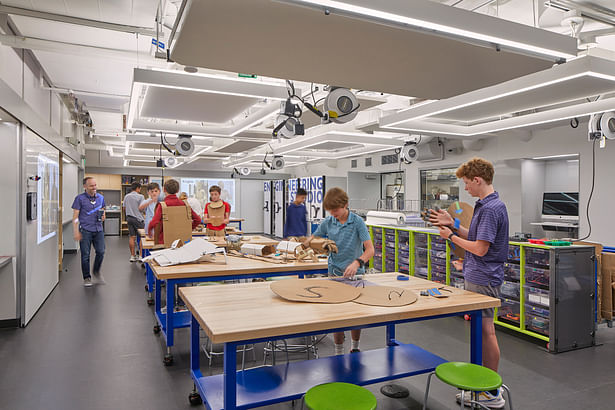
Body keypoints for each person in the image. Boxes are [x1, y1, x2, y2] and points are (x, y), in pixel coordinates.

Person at [429, 157, 509, 409]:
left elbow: (480, 249)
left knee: (486, 332)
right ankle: (484, 386)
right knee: (482, 331)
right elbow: (474, 237)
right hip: (479, 274)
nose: (465, 189)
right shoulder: (486, 206)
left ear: (477, 180)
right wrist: (452, 224)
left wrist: (451, 235)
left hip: (484, 277)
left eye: (466, 183)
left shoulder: (490, 209)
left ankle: (491, 392)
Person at [302, 188, 374, 355]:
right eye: (330, 211)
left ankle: (355, 347)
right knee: (337, 316)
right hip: (334, 274)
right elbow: (315, 237)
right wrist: (306, 243)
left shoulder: (357, 222)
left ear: (345, 205)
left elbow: (370, 250)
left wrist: (357, 262)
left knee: (356, 315)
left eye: (336, 210)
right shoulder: (328, 222)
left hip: (354, 276)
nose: (333, 213)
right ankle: (338, 351)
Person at [72, 177, 106, 287]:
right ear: (85, 187)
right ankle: (87, 277)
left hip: (98, 229)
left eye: (95, 185)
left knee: (101, 252)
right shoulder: (79, 199)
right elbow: (75, 217)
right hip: (85, 230)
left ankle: (96, 271)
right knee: (85, 255)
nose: (94, 187)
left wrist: (104, 214)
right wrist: (76, 231)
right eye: (91, 186)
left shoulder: (101, 197)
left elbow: (103, 209)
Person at [148, 179, 201, 244]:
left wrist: (149, 232)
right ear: (178, 190)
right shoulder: (185, 204)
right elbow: (198, 220)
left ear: (164, 190)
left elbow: (154, 222)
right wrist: (188, 229)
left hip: (165, 241)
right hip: (182, 241)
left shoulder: (162, 205)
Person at [123, 182, 145, 262]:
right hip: (138, 219)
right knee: (142, 238)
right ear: (138, 188)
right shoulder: (141, 196)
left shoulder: (126, 196)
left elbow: (124, 208)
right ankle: (140, 256)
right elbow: (142, 208)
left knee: (132, 237)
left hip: (129, 218)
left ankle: (132, 256)